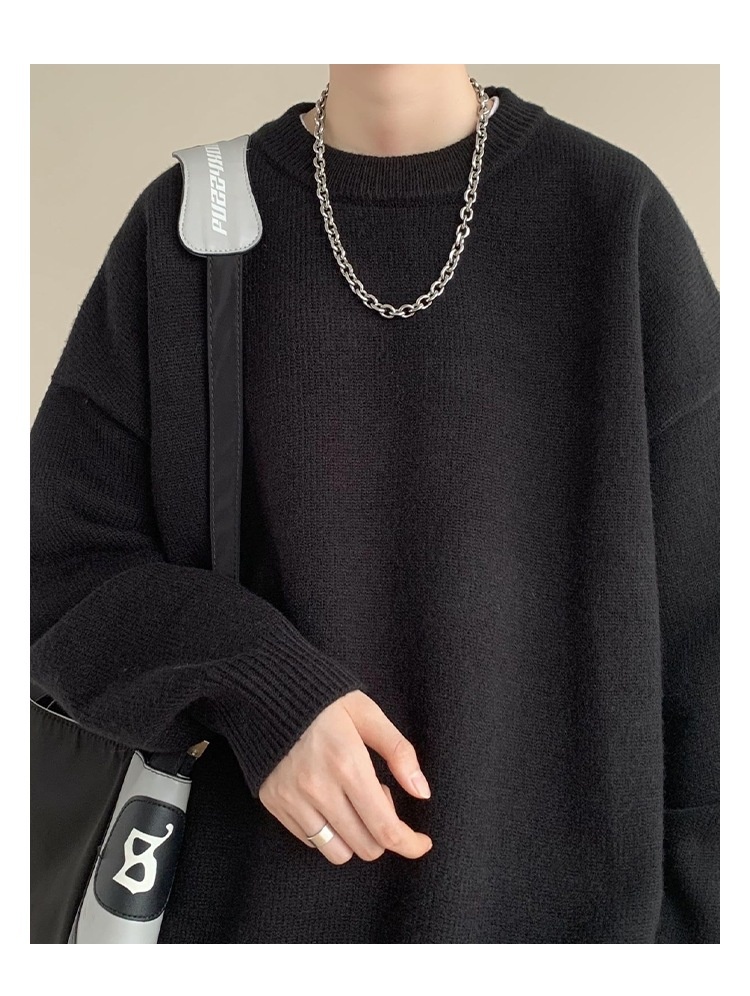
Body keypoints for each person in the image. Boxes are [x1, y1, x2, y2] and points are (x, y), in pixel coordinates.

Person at [30, 64, 719, 943]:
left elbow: (712, 642)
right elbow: (51, 561)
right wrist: (254, 683)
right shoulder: (192, 224)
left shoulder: (614, 218)